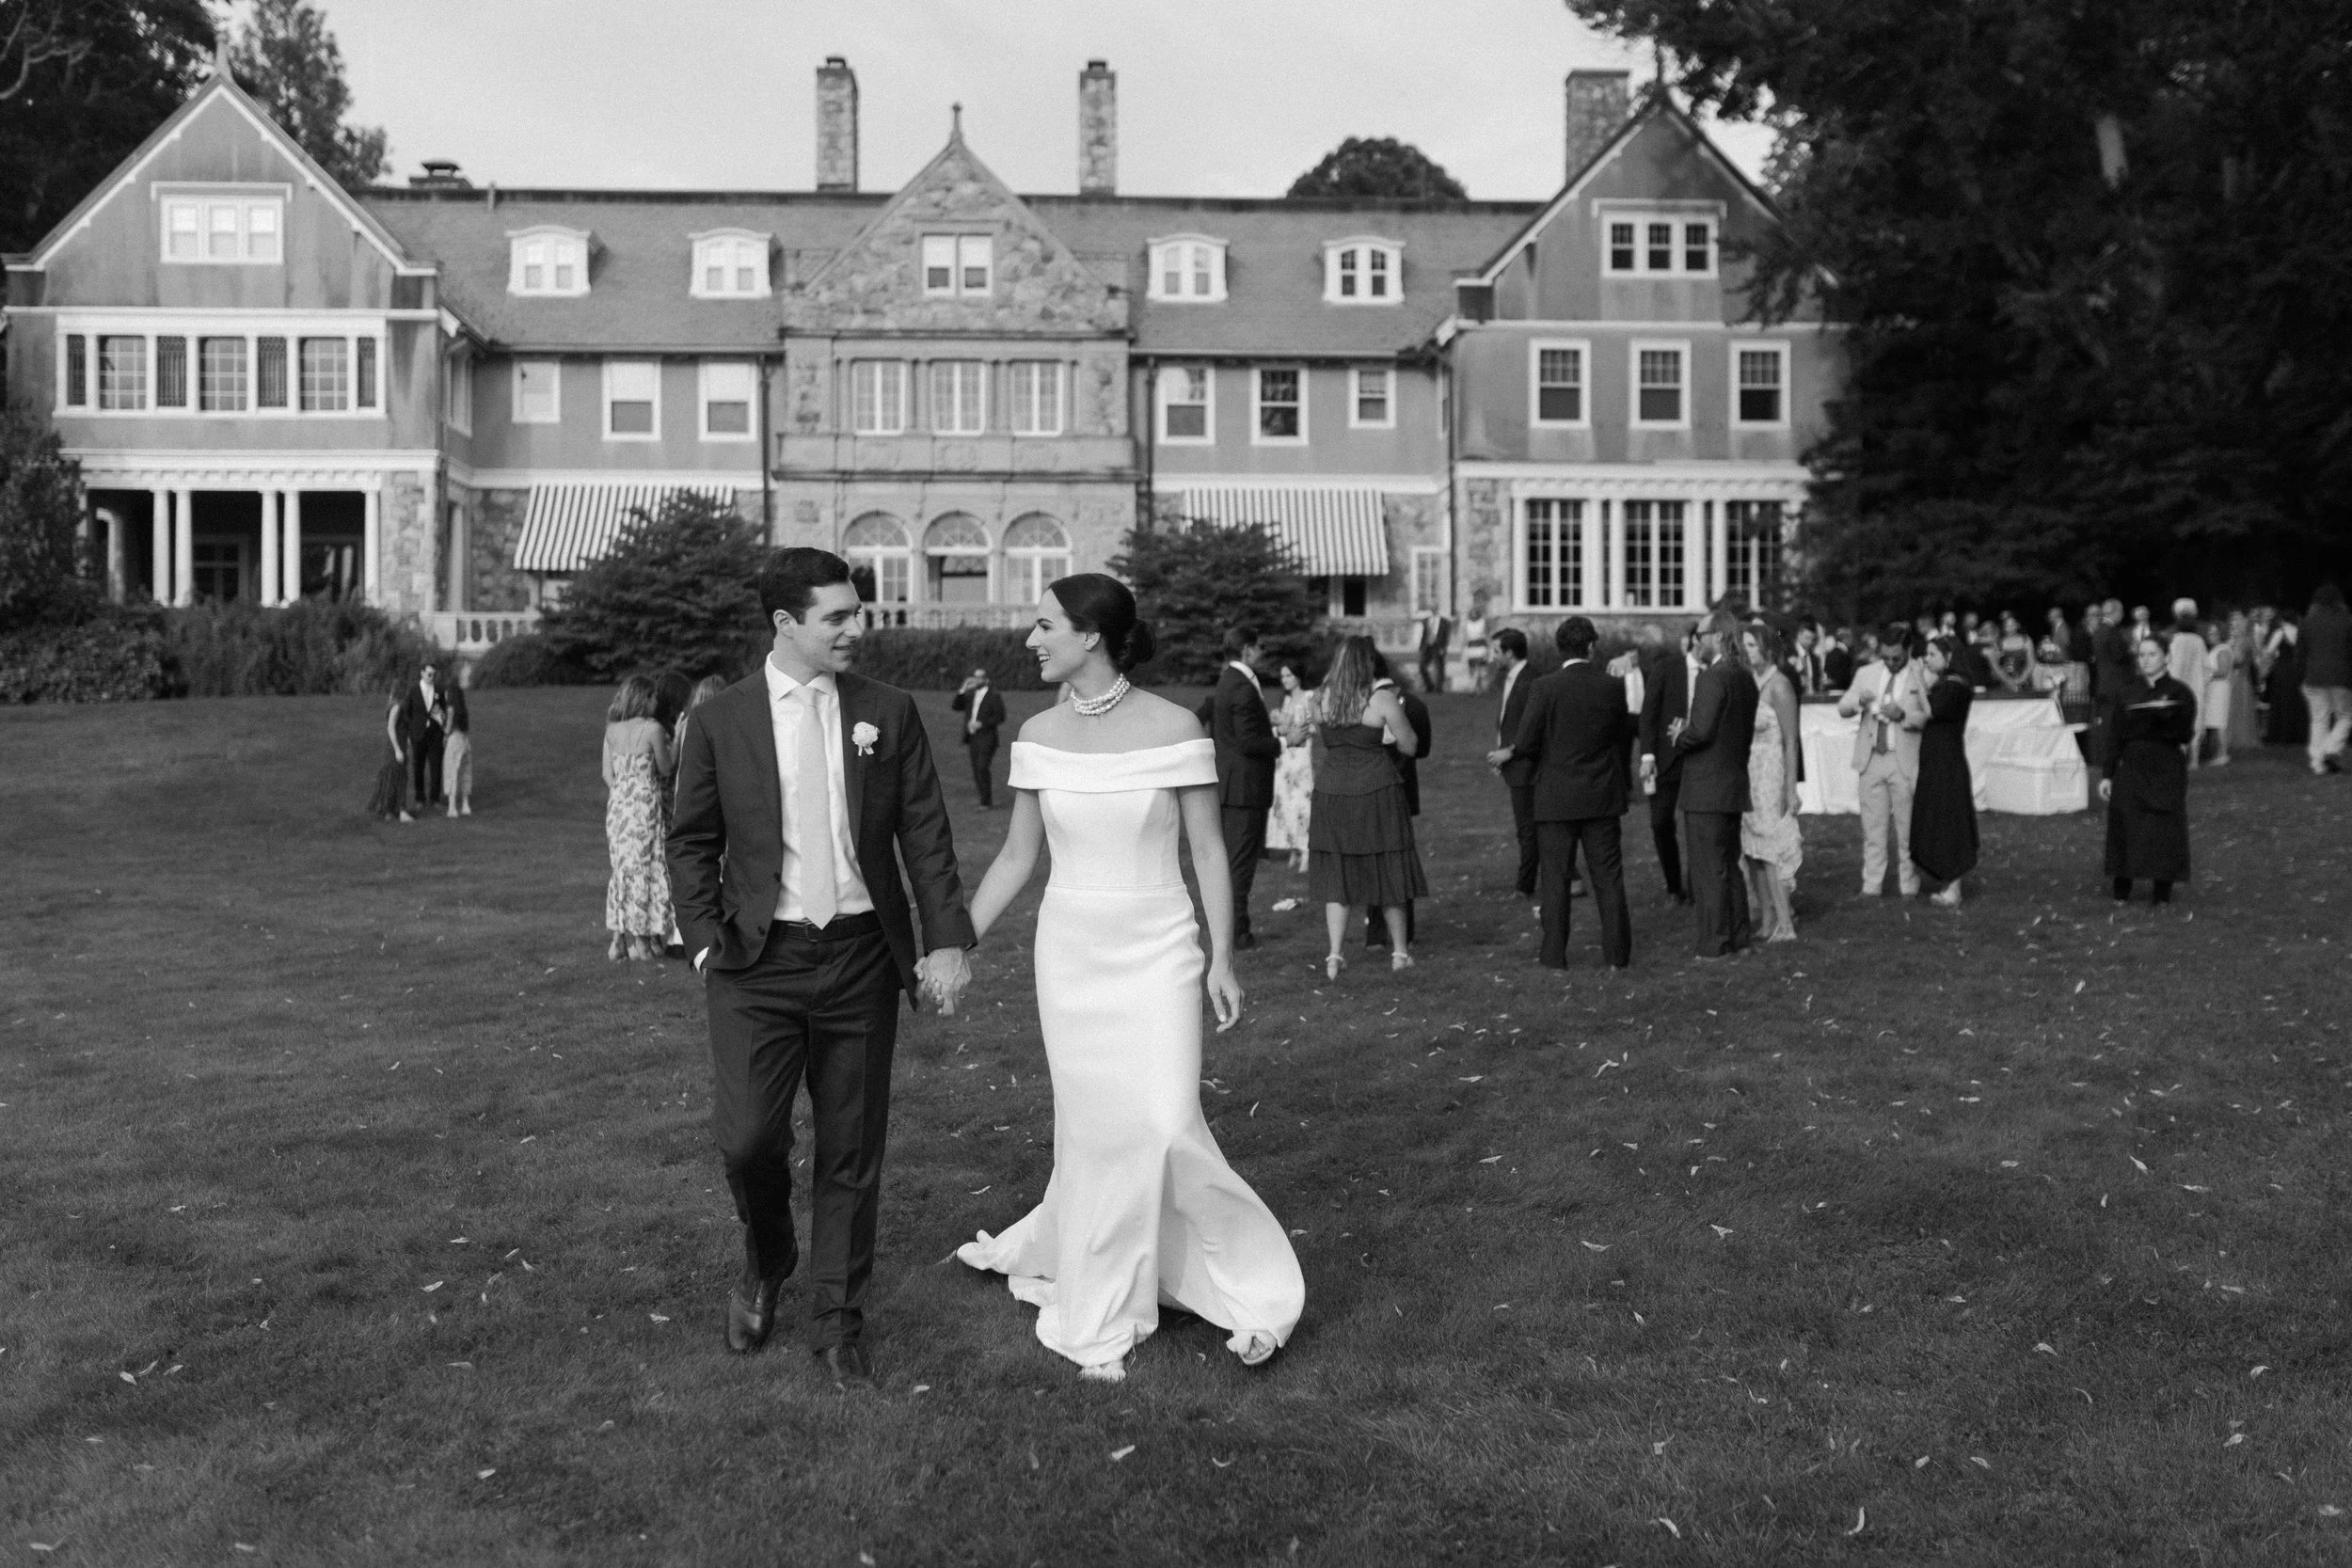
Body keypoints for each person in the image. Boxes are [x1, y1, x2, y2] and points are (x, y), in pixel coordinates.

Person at [956, 574, 1300, 1381]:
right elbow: (1016, 856)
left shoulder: (1178, 725)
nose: (1030, 640)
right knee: (1097, 1130)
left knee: (1169, 1120)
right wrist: (956, 941)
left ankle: (1250, 1289)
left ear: (1092, 636)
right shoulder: (1036, 733)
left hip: (1160, 945)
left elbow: (1209, 849)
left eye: (1044, 626)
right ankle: (1105, 1296)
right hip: (1071, 952)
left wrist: (1222, 954)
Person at [665, 547, 976, 1381]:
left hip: (861, 958)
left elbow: (925, 831)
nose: (855, 628)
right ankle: (768, 1258)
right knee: (747, 1141)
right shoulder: (722, 719)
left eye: (856, 611)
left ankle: (837, 1322)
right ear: (785, 624)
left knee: (851, 1147)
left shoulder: (889, 710)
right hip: (754, 963)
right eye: (836, 616)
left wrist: (945, 936)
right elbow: (689, 840)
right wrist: (703, 940)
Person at [1488, 616, 1633, 969]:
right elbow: (1619, 735)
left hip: (1555, 796)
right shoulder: (1612, 687)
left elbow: (1526, 740)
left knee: (1555, 878)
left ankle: (1554, 955)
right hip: (1600, 793)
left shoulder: (1545, 687)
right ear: (1592, 646)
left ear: (1559, 648)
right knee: (1608, 878)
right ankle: (1617, 956)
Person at [1306, 636, 1426, 976]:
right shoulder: (1381, 699)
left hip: (1332, 790)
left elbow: (1320, 735)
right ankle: (1400, 954)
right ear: (1368, 664)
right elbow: (1410, 746)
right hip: (1377, 789)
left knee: (1338, 872)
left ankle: (1334, 956)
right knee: (1388, 866)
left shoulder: (1320, 699)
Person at [1670, 610, 1759, 958]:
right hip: (1733, 783)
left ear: (1719, 636)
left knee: (1708, 871)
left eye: (1702, 634)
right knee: (1730, 867)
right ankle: (1740, 940)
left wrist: (1680, 736)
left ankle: (1715, 944)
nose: (1697, 640)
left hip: (1707, 787)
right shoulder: (1745, 678)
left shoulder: (1712, 678)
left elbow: (1701, 732)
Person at [2100, 636, 2196, 903]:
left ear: (2166, 656)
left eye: (2152, 654)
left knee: (2163, 825)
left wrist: (2163, 719)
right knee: (2126, 822)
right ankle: (2122, 887)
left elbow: (2185, 734)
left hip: (2165, 765)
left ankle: (2162, 890)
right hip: (2132, 764)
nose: (2146, 660)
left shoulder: (2180, 692)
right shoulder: (2127, 691)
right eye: (2142, 655)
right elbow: (2115, 734)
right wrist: (2107, 774)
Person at [1202, 627, 1280, 950]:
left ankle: (1236, 929)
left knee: (1234, 862)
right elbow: (1248, 741)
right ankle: (1237, 933)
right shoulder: (1242, 686)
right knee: (1240, 865)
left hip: (1232, 785)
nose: (1263, 652)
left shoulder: (1228, 681)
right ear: (1247, 650)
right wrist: (1282, 741)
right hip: (1244, 789)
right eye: (1260, 646)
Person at [1837, 622, 1929, 897]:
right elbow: (1843, 707)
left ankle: (1909, 885)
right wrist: (1858, 702)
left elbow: (1930, 715)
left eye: (1896, 658)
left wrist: (1904, 715)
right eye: (1885, 657)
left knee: (1907, 829)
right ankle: (1872, 885)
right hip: (1871, 758)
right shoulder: (1866, 673)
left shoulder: (1920, 674)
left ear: (1909, 650)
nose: (1890, 662)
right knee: (1873, 828)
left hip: (1904, 760)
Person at [602, 675, 675, 963]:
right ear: (643, 698)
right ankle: (643, 940)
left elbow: (608, 774)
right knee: (647, 867)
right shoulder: (653, 728)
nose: (656, 701)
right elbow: (666, 768)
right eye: (653, 696)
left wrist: (624, 792)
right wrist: (678, 739)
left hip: (619, 805)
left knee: (623, 870)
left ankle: (620, 938)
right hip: (644, 807)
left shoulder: (612, 730)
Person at [1739, 621, 1803, 941]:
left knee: (1772, 847)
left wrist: (1789, 788)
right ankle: (1766, 918)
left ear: (1765, 647)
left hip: (1772, 770)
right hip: (1748, 771)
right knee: (1752, 849)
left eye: (1751, 645)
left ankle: (1785, 923)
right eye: (1744, 645)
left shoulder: (1780, 686)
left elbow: (1792, 739)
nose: (1746, 651)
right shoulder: (1749, 682)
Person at [1363, 651, 1431, 950]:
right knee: (1392, 861)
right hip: (1394, 791)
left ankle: (1384, 934)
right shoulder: (1411, 703)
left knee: (1384, 861)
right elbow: (1423, 749)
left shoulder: (1369, 705)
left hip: (1384, 790)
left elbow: (1420, 748)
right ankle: (1394, 933)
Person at [1637, 621, 1704, 906]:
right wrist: (1648, 755)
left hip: (1702, 757)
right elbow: (1649, 713)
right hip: (1666, 759)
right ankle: (1674, 885)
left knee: (1699, 825)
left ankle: (1697, 886)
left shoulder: (1717, 672)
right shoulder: (1667, 668)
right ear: (1694, 641)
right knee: (1661, 822)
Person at [1910, 635, 1979, 908]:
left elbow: (1932, 710)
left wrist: (1917, 677)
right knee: (1937, 816)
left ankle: (1953, 885)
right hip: (1937, 758)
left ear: (1949, 656)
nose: (1927, 660)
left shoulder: (1955, 685)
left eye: (1933, 655)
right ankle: (1945, 879)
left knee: (1949, 819)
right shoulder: (1948, 683)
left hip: (1946, 761)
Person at [1489, 627, 1539, 899]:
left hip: (1527, 765)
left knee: (1528, 828)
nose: (1493, 657)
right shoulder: (1511, 678)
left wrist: (1510, 752)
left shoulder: (1530, 680)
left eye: (1496, 651)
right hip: (1515, 762)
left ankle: (1525, 886)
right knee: (1533, 827)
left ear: (1510, 652)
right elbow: (1510, 720)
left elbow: (1533, 727)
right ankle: (1572, 879)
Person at [1265, 660, 1318, 873]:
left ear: (1297, 676)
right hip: (1286, 756)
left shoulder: (1309, 697)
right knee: (1285, 801)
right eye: (1283, 676)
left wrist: (1298, 726)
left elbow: (1316, 726)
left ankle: (1305, 848)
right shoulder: (1285, 700)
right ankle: (1292, 846)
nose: (1285, 680)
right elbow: (1278, 729)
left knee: (1303, 802)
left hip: (1302, 755)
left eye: (1288, 675)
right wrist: (1278, 724)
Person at [2302, 583, 2351, 775]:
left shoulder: (2307, 622)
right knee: (2346, 716)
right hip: (2341, 677)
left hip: (2314, 676)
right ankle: (2331, 749)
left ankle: (2317, 762)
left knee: (2318, 719)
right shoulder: (2347, 621)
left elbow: (2301, 652)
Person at [950, 665, 1008, 808]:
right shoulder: (970, 694)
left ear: (987, 679)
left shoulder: (993, 695)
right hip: (973, 738)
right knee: (976, 769)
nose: (977, 679)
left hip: (988, 737)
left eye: (980, 676)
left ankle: (986, 801)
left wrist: (982, 724)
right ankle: (985, 801)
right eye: (975, 676)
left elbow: (1000, 716)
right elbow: (956, 706)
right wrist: (963, 688)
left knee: (982, 767)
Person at [398, 663, 450, 809]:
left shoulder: (439, 690)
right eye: (429, 674)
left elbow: (445, 710)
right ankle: (420, 799)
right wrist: (409, 733)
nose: (431, 677)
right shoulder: (413, 691)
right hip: (418, 735)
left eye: (433, 674)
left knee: (436, 766)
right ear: (422, 673)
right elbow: (406, 713)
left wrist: (442, 718)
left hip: (435, 734)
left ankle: (435, 799)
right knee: (418, 767)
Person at [2167, 598, 2209, 767]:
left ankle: (2181, 756)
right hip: (2196, 685)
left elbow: (2169, 663)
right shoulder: (2198, 641)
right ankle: (2195, 759)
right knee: (2196, 718)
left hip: (2177, 684)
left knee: (2178, 719)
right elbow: (2206, 666)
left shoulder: (2174, 641)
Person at [2263, 610, 2308, 748]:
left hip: (2282, 669)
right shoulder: (2300, 632)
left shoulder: (2280, 632)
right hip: (2297, 671)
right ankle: (2298, 734)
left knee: (2282, 701)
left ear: (2283, 620)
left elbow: (2269, 651)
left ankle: (2281, 734)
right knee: (2296, 701)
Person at [368, 688, 414, 823]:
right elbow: (391, 728)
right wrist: (398, 750)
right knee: (397, 776)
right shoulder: (397, 707)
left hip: (398, 746)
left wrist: (407, 742)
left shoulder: (395, 706)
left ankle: (389, 809)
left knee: (393, 777)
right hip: (395, 748)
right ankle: (400, 810)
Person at [439, 679, 472, 817]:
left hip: (454, 741)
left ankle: (452, 807)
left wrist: (441, 721)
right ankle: (465, 805)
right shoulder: (463, 709)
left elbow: (448, 728)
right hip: (465, 742)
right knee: (465, 772)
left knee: (451, 772)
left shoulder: (451, 708)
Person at [1994, 611, 2034, 692]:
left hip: (2024, 680)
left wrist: (2021, 680)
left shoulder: (2026, 640)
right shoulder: (1998, 642)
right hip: (2003, 682)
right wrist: (2007, 681)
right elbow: (1996, 666)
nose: (2010, 628)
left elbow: (2031, 663)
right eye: (2007, 625)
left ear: (2017, 625)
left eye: (2012, 625)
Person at [1417, 605, 1452, 693]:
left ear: (1437, 609)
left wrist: (1443, 648)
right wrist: (1421, 648)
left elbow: (1446, 636)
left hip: (1438, 646)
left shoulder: (1444, 622)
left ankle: (1439, 688)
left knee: (1439, 667)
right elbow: (1424, 635)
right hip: (1427, 646)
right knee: (1422, 666)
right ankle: (1429, 686)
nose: (1433, 609)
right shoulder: (1427, 620)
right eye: (1432, 608)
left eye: (1434, 608)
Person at [1460, 596, 1491, 690]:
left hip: (1480, 647)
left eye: (1475, 612)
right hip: (1471, 648)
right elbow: (1465, 636)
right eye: (1472, 613)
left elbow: (1486, 635)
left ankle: (1473, 687)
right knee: (1472, 668)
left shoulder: (1483, 622)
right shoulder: (1467, 623)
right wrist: (1462, 648)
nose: (1473, 614)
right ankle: (1478, 686)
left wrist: (1489, 648)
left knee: (1479, 667)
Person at [1822, 626, 1856, 692]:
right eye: (1851, 638)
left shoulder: (1830, 654)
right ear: (1845, 639)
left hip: (1830, 690)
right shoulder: (1844, 656)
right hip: (1842, 690)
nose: (1852, 641)